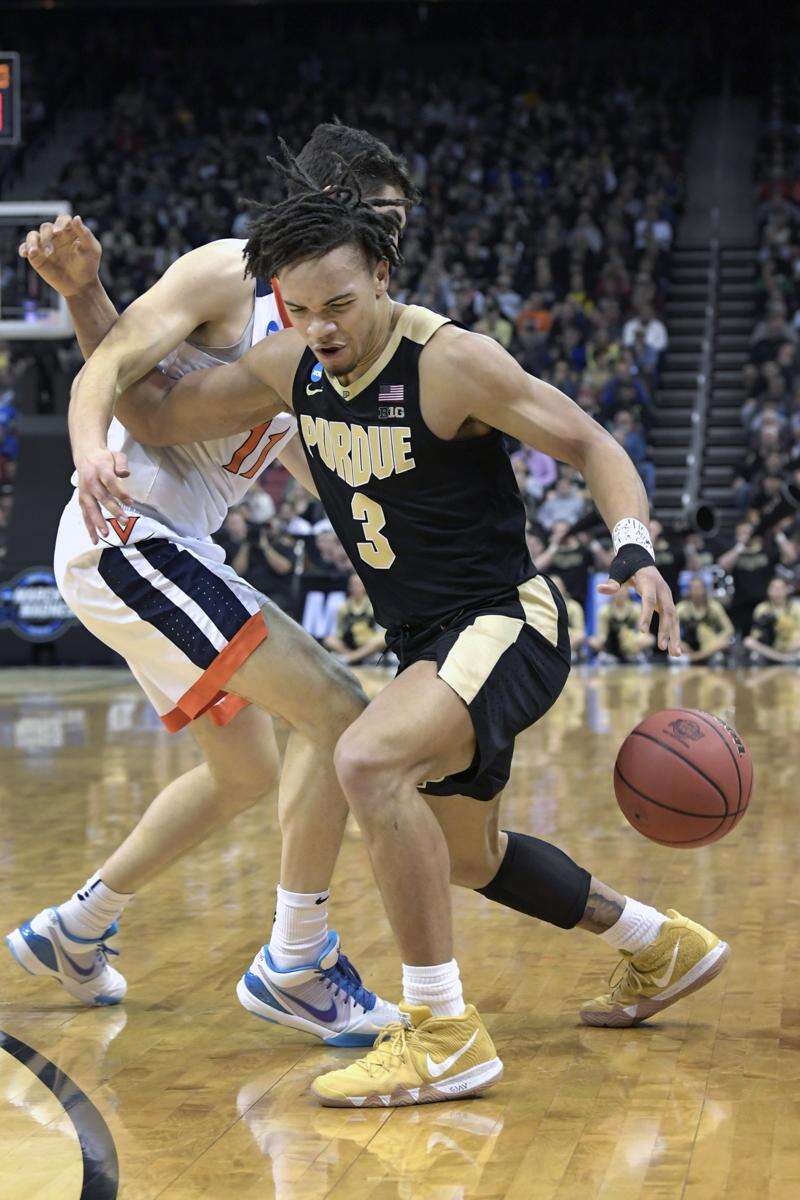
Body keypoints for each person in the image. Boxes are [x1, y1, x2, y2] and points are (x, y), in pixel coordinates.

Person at [87, 161, 729, 1108]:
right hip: (427, 643)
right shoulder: (289, 366)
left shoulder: (451, 362)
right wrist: (85, 294)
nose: (323, 328)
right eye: (302, 309)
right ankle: (657, 943)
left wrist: (633, 550)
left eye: (340, 304)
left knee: (365, 758)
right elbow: (148, 409)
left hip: (505, 621)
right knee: (468, 858)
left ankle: (442, 1032)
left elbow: (591, 442)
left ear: (383, 274)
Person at [6, 124, 418, 1049]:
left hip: (168, 550)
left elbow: (312, 461)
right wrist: (88, 453)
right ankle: (297, 962)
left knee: (247, 772)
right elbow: (113, 366)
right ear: (334, 205)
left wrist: (384, 546)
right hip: (129, 534)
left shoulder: (332, 322)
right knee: (338, 712)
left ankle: (76, 927)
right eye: (385, 217)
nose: (397, 239)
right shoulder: (231, 271)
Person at [717, 520, 797, 635]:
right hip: (742, 606)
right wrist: (740, 546)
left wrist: (779, 534)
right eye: (742, 533)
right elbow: (723, 565)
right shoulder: (735, 552)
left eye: (749, 532)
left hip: (766, 604)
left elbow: (791, 557)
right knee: (745, 639)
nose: (747, 536)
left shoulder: (766, 550)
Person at [324, 572, 386, 665]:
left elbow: (381, 630)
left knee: (382, 639)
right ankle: (353, 656)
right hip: (349, 645)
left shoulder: (373, 605)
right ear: (349, 587)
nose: (356, 588)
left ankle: (351, 658)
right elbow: (339, 632)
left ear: (364, 586)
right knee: (329, 640)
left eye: (358, 585)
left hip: (368, 645)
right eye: (353, 585)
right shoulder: (343, 607)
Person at [673, 576, 734, 666]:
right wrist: (680, 643)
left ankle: (696, 657)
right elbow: (669, 629)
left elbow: (729, 629)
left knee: (723, 644)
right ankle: (696, 657)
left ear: (705, 589)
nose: (697, 591)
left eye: (699, 588)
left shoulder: (714, 607)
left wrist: (718, 640)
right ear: (689, 590)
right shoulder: (682, 608)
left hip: (711, 645)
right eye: (694, 588)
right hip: (690, 644)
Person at [588, 589, 655, 664]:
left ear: (627, 592)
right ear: (612, 594)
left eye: (623, 591)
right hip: (611, 643)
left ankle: (634, 654)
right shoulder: (605, 611)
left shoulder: (635, 609)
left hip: (631, 642)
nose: (620, 594)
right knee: (592, 641)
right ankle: (607, 654)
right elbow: (602, 634)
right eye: (617, 591)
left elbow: (643, 632)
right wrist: (607, 641)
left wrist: (634, 640)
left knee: (650, 639)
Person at [744, 576, 800, 663]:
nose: (777, 592)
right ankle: (783, 659)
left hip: (791, 646)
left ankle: (787, 658)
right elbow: (755, 633)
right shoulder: (762, 608)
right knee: (748, 642)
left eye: (780, 588)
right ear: (768, 590)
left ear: (787, 590)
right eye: (774, 588)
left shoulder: (795, 607)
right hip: (771, 648)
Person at [549, 574, 586, 658]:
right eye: (551, 586)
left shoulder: (574, 606)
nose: (554, 589)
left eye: (557, 586)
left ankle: (565, 654)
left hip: (569, 641)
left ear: (563, 588)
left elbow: (580, 632)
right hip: (550, 641)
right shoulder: (542, 607)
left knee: (580, 636)